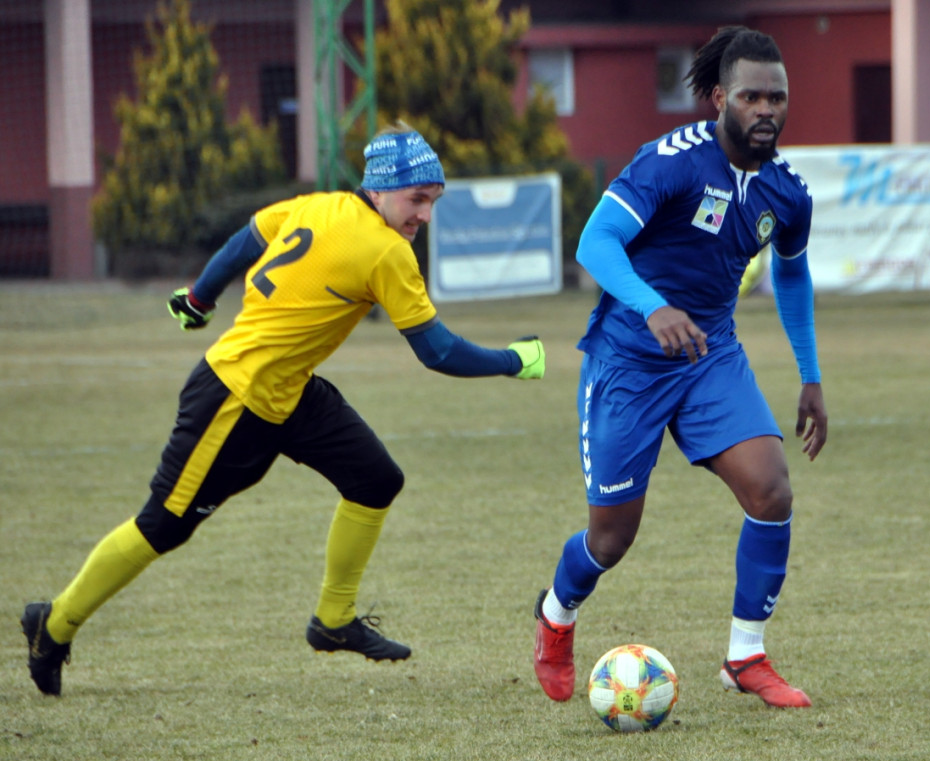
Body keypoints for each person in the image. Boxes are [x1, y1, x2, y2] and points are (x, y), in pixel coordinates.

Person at [21, 123, 546, 696]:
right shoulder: (385, 250)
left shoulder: (316, 207)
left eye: (432, 201)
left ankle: (334, 620)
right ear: (379, 190)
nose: (424, 214)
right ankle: (54, 623)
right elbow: (437, 351)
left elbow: (244, 242)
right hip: (234, 397)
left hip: (288, 393)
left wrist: (200, 298)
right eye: (417, 199)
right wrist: (515, 360)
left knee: (375, 480)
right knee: (162, 527)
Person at [531, 26, 827, 708]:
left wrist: (810, 376)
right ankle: (556, 618)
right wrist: (652, 306)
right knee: (611, 537)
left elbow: (792, 274)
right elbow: (596, 241)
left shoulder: (788, 192)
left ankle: (745, 657)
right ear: (720, 97)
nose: (767, 110)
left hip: (707, 354)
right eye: (752, 95)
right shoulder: (669, 161)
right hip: (629, 358)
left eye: (777, 98)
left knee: (771, 490)